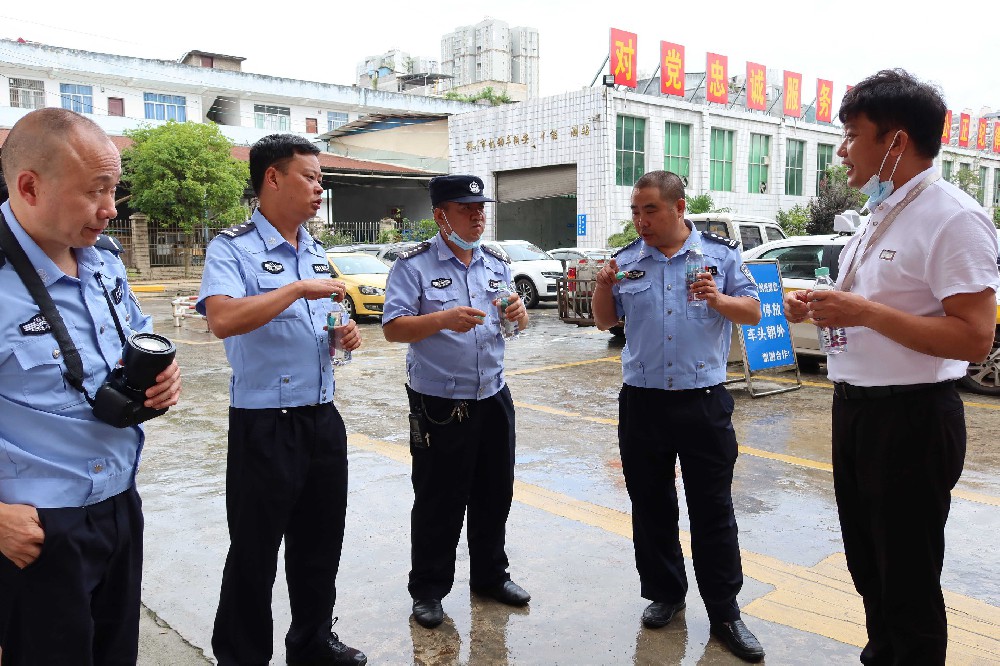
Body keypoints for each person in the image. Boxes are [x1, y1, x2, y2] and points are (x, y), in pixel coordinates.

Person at [784, 69, 999, 665]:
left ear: (896, 141)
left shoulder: (952, 217)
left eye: (853, 134)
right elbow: (872, 301)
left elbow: (975, 338)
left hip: (911, 419)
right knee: (868, 566)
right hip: (854, 407)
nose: (842, 150)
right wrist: (823, 305)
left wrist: (864, 312)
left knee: (907, 579)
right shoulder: (880, 214)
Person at [0, 108, 182, 663]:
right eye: (95, 191)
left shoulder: (103, 261)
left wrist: (162, 374)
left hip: (118, 503)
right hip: (34, 524)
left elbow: (136, 333)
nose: (111, 209)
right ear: (30, 186)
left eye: (114, 189)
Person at [198, 134, 366, 666]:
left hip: (321, 416)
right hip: (265, 421)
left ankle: (313, 641)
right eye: (310, 177)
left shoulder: (313, 249)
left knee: (319, 544)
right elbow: (222, 318)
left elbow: (323, 320)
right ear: (273, 178)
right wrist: (295, 290)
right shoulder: (233, 247)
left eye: (321, 179)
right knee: (254, 550)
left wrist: (341, 335)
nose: (320, 188)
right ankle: (242, 655)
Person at [592, 170, 765, 662]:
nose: (641, 220)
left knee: (712, 508)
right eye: (635, 211)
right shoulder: (627, 261)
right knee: (651, 505)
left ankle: (725, 610)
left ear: (678, 207)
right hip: (643, 402)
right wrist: (604, 286)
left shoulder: (720, 256)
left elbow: (753, 312)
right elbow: (607, 320)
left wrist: (719, 298)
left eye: (650, 210)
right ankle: (665, 593)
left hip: (703, 402)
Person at [382, 174, 530, 629]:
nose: (478, 215)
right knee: (438, 500)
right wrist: (442, 318)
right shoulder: (413, 265)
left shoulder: (497, 262)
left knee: (494, 493)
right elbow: (392, 327)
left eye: (480, 207)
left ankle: (490, 576)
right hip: (440, 403)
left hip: (493, 395)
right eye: (466, 208)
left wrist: (519, 317)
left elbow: (510, 324)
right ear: (440, 215)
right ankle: (428, 589)